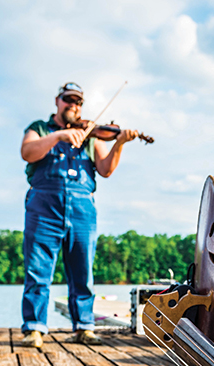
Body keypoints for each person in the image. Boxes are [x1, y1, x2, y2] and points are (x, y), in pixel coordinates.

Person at [18, 82, 140, 348]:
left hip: (82, 207)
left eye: (78, 102)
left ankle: (84, 326)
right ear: (57, 101)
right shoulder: (40, 128)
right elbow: (27, 152)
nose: (73, 106)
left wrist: (119, 143)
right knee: (38, 269)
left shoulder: (89, 133)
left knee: (82, 270)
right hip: (44, 205)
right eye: (68, 100)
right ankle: (35, 328)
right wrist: (59, 136)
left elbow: (105, 169)